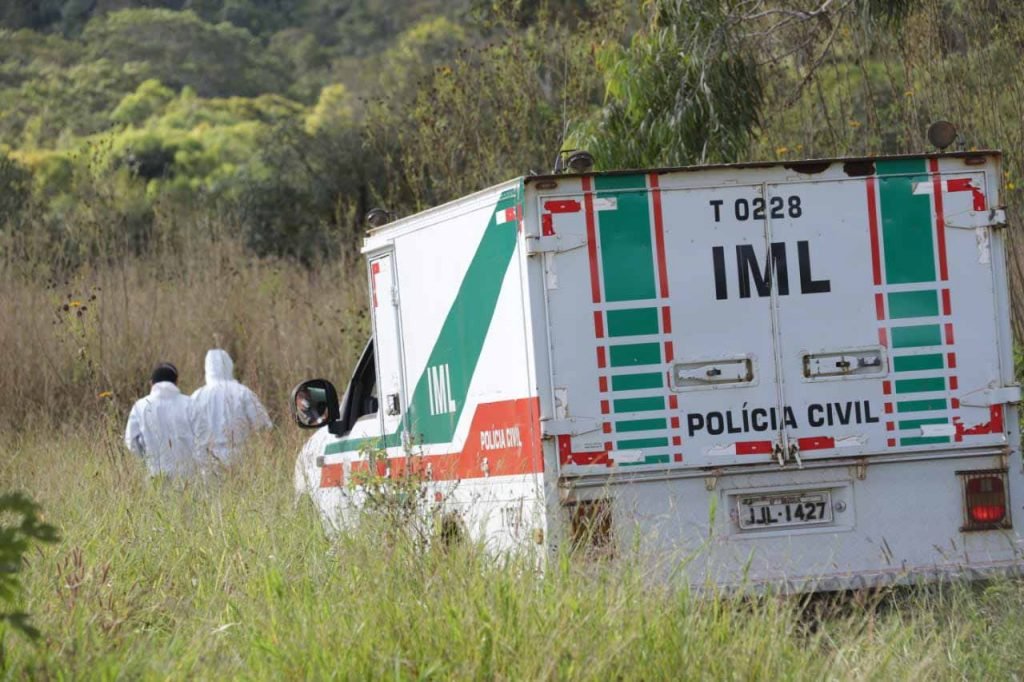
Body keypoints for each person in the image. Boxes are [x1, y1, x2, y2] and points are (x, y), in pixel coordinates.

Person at [191, 349, 272, 466]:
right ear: (229, 365)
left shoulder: (197, 396)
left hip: (207, 460)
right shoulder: (242, 392)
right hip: (240, 457)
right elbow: (263, 425)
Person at [124, 362, 205, 479]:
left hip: (154, 479)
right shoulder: (191, 405)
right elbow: (203, 441)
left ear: (151, 383)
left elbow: (131, 442)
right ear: (177, 382)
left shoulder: (140, 407)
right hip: (188, 481)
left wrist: (145, 463)